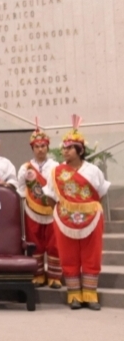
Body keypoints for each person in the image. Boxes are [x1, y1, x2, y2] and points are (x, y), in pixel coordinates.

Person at [44, 115, 110, 310]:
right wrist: (61, 211)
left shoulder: (93, 170)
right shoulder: (56, 172)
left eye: (69, 148)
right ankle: (74, 294)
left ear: (79, 150)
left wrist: (89, 209)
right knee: (68, 254)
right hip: (64, 218)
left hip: (92, 217)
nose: (64, 151)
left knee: (92, 254)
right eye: (63, 148)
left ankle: (90, 294)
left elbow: (101, 194)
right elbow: (49, 196)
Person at [16, 121, 61, 288]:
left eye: (43, 146)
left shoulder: (56, 166)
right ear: (32, 149)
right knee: (35, 243)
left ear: (47, 147)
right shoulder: (25, 168)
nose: (40, 149)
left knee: (53, 243)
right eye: (37, 146)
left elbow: (57, 187)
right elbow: (20, 187)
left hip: (51, 210)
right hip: (32, 211)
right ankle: (38, 274)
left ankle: (55, 276)